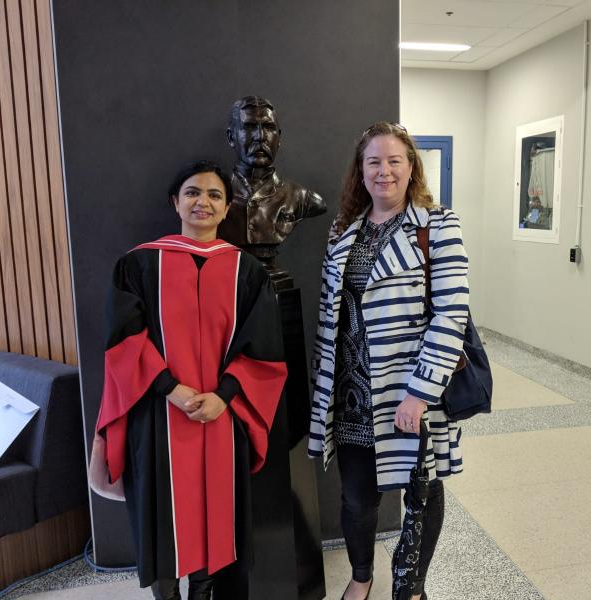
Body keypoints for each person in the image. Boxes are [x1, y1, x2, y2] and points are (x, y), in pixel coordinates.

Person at [89, 160, 287, 600]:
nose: (204, 202)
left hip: (222, 415)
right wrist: (170, 389)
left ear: (227, 207)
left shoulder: (248, 273)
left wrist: (224, 396)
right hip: (157, 416)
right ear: (175, 203)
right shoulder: (138, 266)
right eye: (193, 192)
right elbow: (124, 341)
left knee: (216, 514)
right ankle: (167, 594)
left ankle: (202, 591)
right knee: (162, 515)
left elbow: (263, 348)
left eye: (215, 195)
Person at [308, 123, 469, 600]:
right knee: (357, 497)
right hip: (353, 393)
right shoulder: (344, 231)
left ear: (411, 166)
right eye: (374, 161)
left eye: (395, 160)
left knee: (420, 492)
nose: (384, 171)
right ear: (360, 171)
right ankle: (361, 578)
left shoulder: (437, 225)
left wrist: (420, 392)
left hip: (410, 389)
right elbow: (330, 313)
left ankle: (412, 587)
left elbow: (452, 311)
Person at [217, 95, 326, 262]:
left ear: (279, 137)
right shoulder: (214, 199)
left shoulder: (304, 199)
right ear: (231, 137)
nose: (260, 136)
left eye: (268, 127)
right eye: (249, 127)